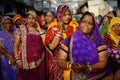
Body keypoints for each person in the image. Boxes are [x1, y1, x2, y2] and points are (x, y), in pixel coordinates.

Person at [57, 11, 112, 80]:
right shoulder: (69, 40)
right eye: (84, 22)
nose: (86, 25)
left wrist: (89, 68)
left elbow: (103, 62)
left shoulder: (98, 41)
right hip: (75, 77)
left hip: (96, 77)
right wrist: (71, 65)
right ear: (79, 23)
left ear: (93, 26)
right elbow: (60, 60)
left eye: (90, 23)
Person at [44, 4, 78, 80]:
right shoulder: (53, 28)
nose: (67, 17)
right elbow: (51, 47)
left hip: (73, 58)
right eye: (64, 15)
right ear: (59, 15)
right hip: (58, 59)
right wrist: (60, 31)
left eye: (69, 14)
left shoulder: (75, 26)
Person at [13, 10, 47, 80]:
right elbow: (16, 45)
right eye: (29, 18)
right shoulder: (21, 29)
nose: (31, 20)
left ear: (36, 19)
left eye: (33, 18)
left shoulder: (42, 31)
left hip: (40, 62)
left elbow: (45, 44)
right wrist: (17, 59)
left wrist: (40, 31)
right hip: (24, 64)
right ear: (26, 19)